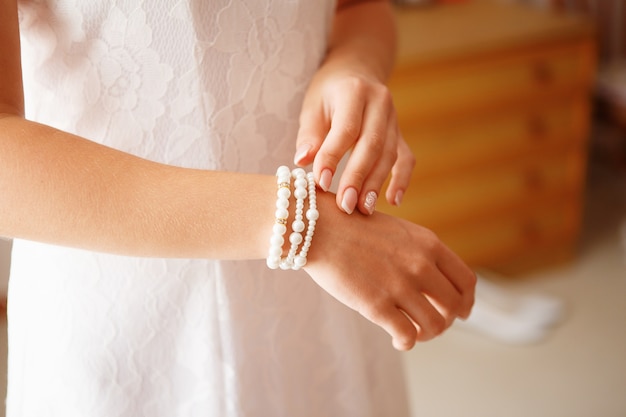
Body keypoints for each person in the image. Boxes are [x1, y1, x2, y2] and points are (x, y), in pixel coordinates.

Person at [0, 0, 476, 415]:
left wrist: (352, 66)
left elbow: (357, 7)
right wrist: (301, 225)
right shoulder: (312, 229)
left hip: (326, 291)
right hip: (124, 315)